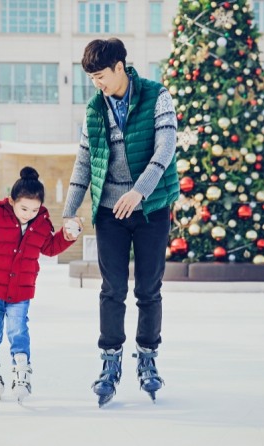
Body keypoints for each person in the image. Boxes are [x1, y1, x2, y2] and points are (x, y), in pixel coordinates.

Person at [63, 38, 179, 407]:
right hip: (110, 212)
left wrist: (140, 192)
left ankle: (148, 358)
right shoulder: (94, 108)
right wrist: (69, 211)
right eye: (91, 78)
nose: (97, 83)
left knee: (148, 288)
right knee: (112, 290)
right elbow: (83, 162)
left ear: (120, 67)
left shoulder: (157, 95)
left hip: (150, 209)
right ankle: (109, 362)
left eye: (101, 76)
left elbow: (165, 148)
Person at [0, 166, 79, 403]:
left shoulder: (42, 223)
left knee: (18, 331)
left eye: (34, 209)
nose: (28, 214)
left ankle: (21, 373)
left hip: (21, 289)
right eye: (24, 208)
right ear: (12, 201)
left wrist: (68, 235)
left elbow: (49, 248)